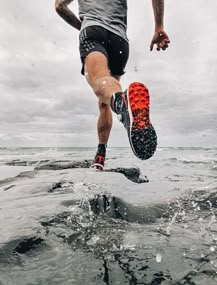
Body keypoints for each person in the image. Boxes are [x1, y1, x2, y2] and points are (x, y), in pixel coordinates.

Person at [55, 0, 170, 170]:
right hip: (120, 40)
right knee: (105, 99)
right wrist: (159, 26)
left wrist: (83, 27)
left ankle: (121, 102)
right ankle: (100, 154)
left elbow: (59, 6)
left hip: (93, 31)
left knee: (101, 82)